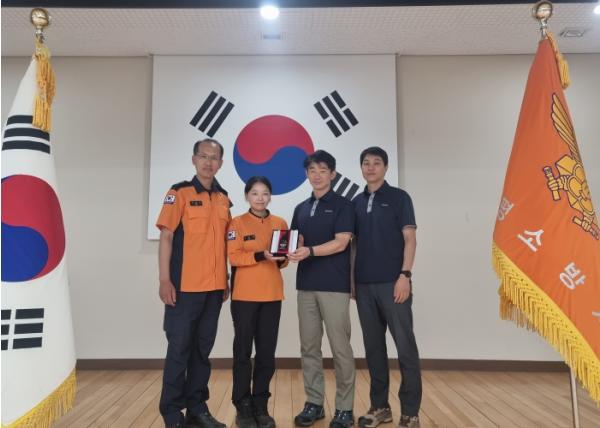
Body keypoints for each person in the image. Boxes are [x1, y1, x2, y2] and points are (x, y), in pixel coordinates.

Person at [156, 138, 231, 428]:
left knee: (202, 352)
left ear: (220, 163)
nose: (208, 162)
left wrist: (225, 279)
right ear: (194, 159)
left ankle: (197, 409)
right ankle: (172, 413)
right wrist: (165, 279)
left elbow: (223, 244)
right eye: (203, 156)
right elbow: (166, 237)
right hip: (184, 288)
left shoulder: (223, 198)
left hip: (214, 290)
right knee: (179, 350)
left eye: (214, 158)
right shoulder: (179, 193)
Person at [352, 147, 421, 428]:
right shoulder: (356, 202)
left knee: (405, 347)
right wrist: (352, 283)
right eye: (366, 163)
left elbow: (410, 238)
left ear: (386, 167)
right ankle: (380, 407)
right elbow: (353, 245)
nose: (370, 167)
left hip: (394, 284)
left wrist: (405, 275)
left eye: (376, 163)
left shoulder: (399, 198)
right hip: (364, 286)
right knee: (374, 349)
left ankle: (410, 412)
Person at [287, 150, 356, 428]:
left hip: (334, 287)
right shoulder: (301, 208)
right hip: (305, 286)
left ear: (333, 174)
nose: (317, 175)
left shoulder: (344, 205)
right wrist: (289, 248)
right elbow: (296, 242)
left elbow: (341, 242)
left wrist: (310, 251)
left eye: (323, 170)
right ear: (306, 174)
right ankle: (314, 403)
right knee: (309, 348)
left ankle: (344, 408)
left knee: (340, 349)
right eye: (312, 170)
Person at [227, 176, 289, 428]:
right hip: (244, 297)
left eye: (265, 193)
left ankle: (260, 404)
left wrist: (284, 256)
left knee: (266, 354)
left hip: (272, 296)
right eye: (255, 193)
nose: (260, 198)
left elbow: (283, 261)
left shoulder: (280, 223)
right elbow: (234, 256)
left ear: (270, 196)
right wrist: (261, 255)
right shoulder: (236, 223)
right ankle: (242, 405)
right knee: (243, 353)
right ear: (247, 196)